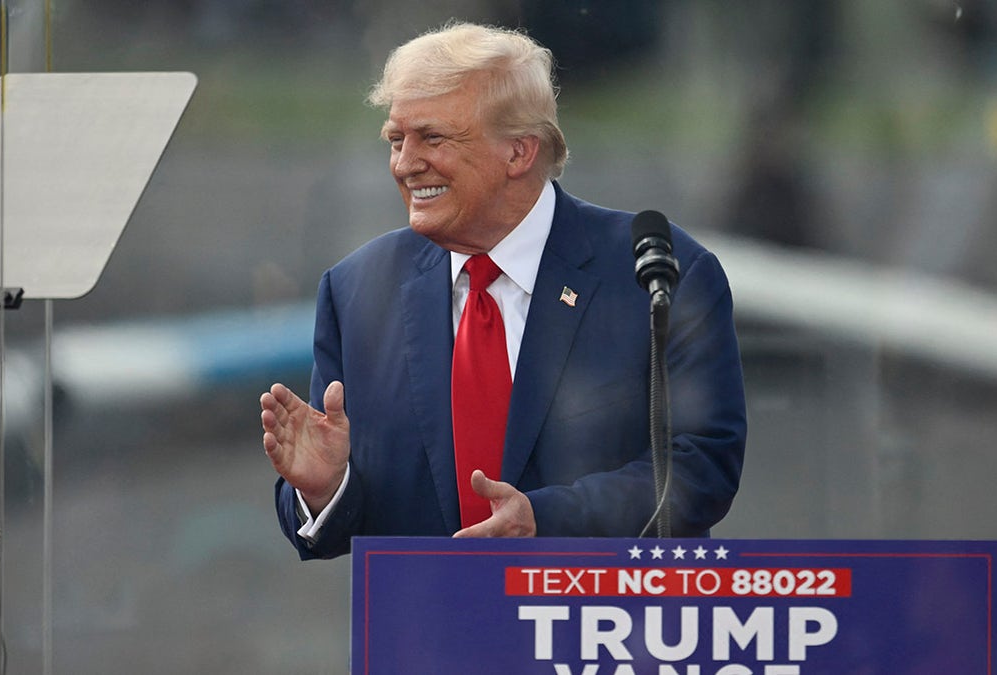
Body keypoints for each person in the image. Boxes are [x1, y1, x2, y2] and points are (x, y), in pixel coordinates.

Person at [260, 21, 745, 560]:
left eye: (433, 137)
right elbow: (343, 514)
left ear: (519, 152)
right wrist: (323, 488)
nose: (405, 163)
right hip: (428, 633)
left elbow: (702, 467)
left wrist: (545, 520)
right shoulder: (357, 290)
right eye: (396, 140)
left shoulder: (653, 275)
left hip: (603, 628)